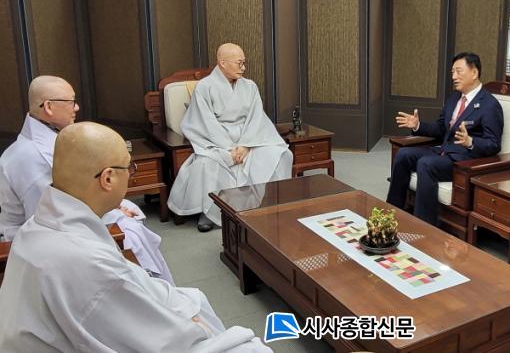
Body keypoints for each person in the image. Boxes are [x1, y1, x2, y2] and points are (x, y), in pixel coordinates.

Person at [0, 122, 271, 352]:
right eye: (129, 169)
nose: (131, 175)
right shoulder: (85, 262)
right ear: (107, 179)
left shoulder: (35, 227)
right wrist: (191, 328)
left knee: (192, 298)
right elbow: (163, 343)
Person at [0, 76, 173, 284]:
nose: (77, 107)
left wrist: (114, 207)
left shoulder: (49, 140)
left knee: (128, 215)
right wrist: (111, 213)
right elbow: (50, 217)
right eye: (71, 102)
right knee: (131, 233)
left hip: (64, 225)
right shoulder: (31, 157)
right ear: (49, 107)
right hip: (40, 244)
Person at [168, 43, 293, 232]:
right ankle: (209, 210)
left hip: (248, 138)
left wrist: (246, 145)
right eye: (239, 63)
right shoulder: (204, 87)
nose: (243, 68)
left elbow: (256, 118)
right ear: (223, 62)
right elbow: (205, 122)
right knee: (206, 164)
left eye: (244, 63)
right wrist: (229, 148)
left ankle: (270, 203)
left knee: (281, 154)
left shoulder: (250, 86)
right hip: (216, 141)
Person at [386, 52, 504, 225]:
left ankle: (424, 225)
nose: (454, 77)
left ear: (474, 73)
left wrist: (471, 142)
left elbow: (493, 144)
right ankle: (391, 214)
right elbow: (441, 128)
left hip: (464, 161)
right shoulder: (455, 97)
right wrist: (418, 125)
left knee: (426, 164)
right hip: (442, 151)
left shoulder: (490, 105)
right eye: (452, 72)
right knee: (403, 154)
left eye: (458, 71)